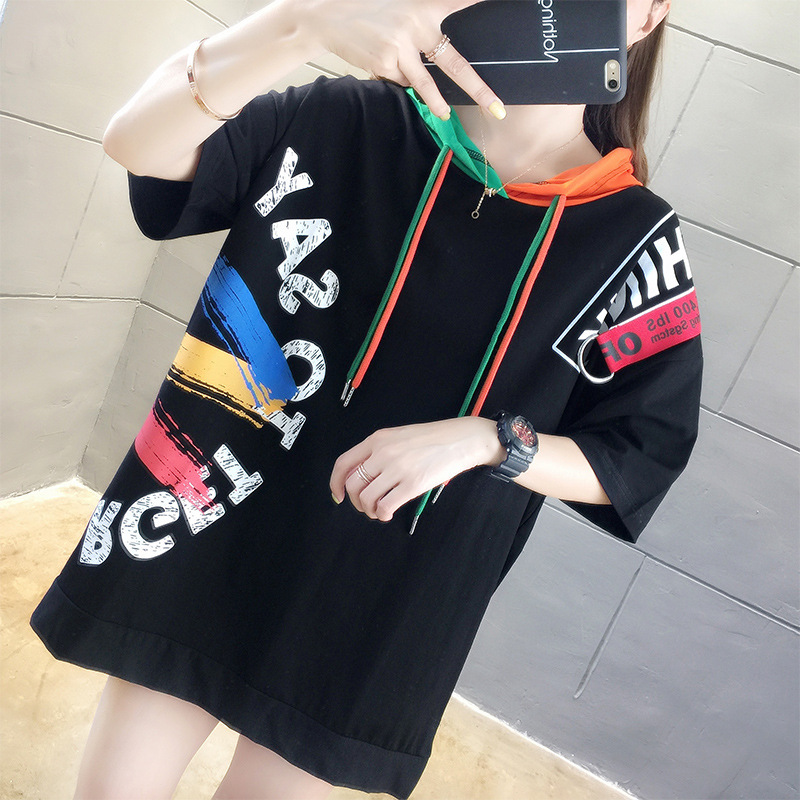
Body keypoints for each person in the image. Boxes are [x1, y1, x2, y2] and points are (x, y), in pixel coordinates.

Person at [31, 0, 702, 798]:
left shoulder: (636, 240)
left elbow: (636, 454)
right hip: (205, 525)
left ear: (649, 13)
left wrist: (490, 440)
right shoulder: (342, 116)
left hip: (379, 601)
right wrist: (299, 23)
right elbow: (137, 143)